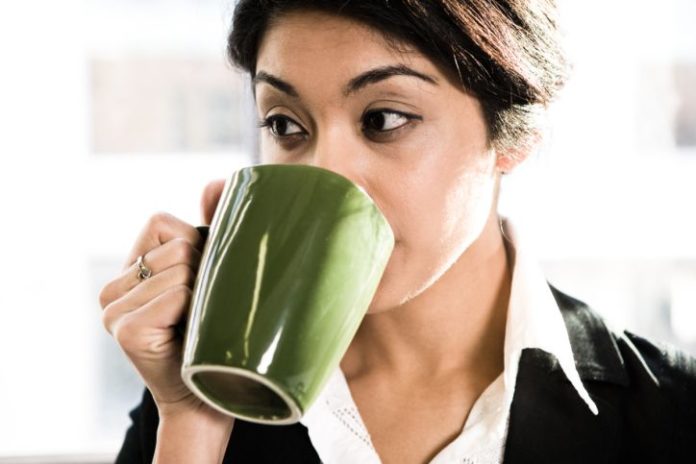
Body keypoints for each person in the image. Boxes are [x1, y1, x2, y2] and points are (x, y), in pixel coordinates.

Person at [99, 1, 696, 463]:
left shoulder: (672, 413)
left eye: (383, 120)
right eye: (285, 123)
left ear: (512, 136)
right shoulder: (188, 408)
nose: (326, 172)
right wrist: (194, 425)